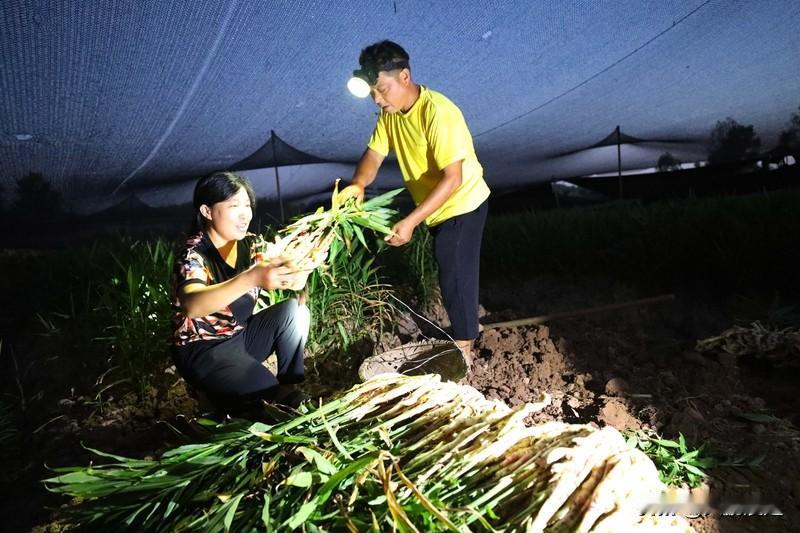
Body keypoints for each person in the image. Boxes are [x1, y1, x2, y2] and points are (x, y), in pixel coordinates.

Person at [339, 40, 490, 368]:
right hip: (437, 207)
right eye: (372, 93)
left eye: (382, 89)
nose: (377, 100)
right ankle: (463, 333)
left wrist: (410, 222)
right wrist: (359, 183)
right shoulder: (390, 116)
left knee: (454, 268)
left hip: (463, 201)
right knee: (449, 265)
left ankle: (464, 349)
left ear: (404, 77)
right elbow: (374, 154)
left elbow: (453, 178)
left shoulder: (438, 112)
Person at [172, 172, 310, 416]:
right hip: (204, 351)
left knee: (295, 311)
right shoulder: (194, 254)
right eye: (234, 206)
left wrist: (297, 276)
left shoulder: (252, 244)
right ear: (207, 211)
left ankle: (285, 385)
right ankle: (215, 396)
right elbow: (192, 305)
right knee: (272, 406)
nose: (245, 213)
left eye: (247, 205)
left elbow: (282, 270)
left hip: (241, 338)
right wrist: (252, 277)